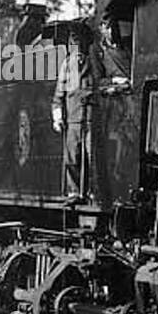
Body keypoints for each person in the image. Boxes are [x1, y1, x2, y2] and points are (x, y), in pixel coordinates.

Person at [51, 19, 101, 202]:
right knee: (72, 157)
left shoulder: (95, 62)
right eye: (74, 43)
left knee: (91, 157)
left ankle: (91, 192)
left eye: (80, 42)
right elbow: (59, 95)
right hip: (72, 119)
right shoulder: (66, 65)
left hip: (90, 118)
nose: (77, 47)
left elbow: (101, 85)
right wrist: (57, 116)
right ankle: (74, 192)